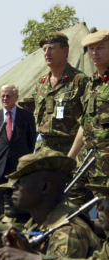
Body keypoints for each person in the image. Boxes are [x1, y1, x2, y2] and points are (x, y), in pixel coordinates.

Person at [34, 32, 88, 155]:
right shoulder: (41, 83)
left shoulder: (79, 80)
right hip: (44, 150)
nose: (47, 53)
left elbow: (87, 122)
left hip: (69, 150)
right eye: (44, 49)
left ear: (65, 51)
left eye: (51, 48)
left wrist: (72, 156)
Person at [68, 28, 109, 188]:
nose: (95, 53)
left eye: (101, 48)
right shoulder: (92, 83)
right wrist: (70, 158)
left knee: (104, 209)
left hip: (105, 164)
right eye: (91, 49)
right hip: (87, 159)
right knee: (70, 201)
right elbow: (85, 125)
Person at [0, 84, 36, 209]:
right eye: (2, 96)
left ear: (16, 97)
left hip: (18, 167)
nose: (5, 99)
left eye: (8, 96)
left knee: (18, 202)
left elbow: (31, 142)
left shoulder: (26, 116)